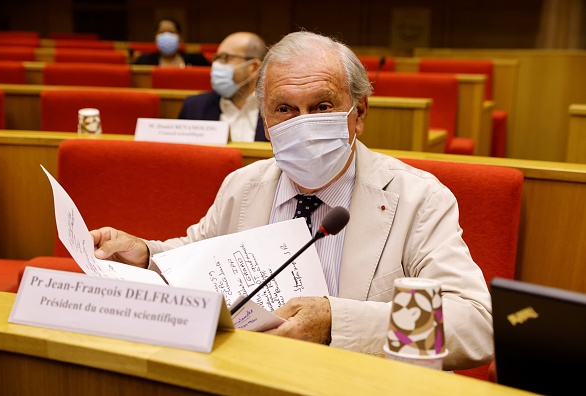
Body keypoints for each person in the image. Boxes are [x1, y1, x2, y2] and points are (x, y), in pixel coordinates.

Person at [91, 31, 493, 371]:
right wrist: (145, 254)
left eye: (321, 106)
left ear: (359, 113)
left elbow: (474, 324)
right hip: (248, 373)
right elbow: (195, 255)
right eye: (284, 109)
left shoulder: (418, 198)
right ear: (265, 123)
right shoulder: (242, 186)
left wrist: (338, 322)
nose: (302, 123)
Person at [177, 32, 268, 142]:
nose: (216, 65)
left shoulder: (278, 112)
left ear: (254, 67)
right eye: (216, 58)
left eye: (225, 58)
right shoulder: (194, 107)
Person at [132, 17, 210, 67]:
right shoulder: (143, 61)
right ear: (155, 38)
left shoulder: (197, 60)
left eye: (171, 32)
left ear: (180, 37)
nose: (166, 36)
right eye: (162, 32)